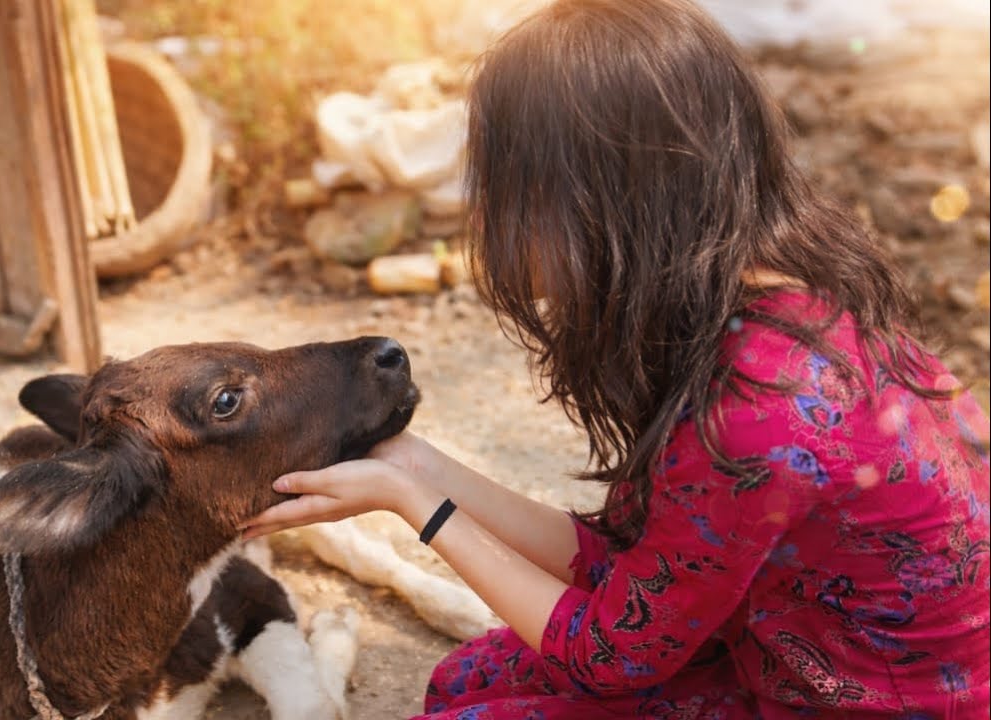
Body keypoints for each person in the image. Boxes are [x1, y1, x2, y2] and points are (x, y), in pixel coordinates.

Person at [244, 0, 991, 717]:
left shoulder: (760, 410)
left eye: (505, 194)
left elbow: (608, 652)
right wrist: (420, 469)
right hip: (790, 648)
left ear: (599, 199)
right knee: (466, 677)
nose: (484, 222)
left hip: (877, 705)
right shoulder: (756, 302)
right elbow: (633, 559)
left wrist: (420, 509)